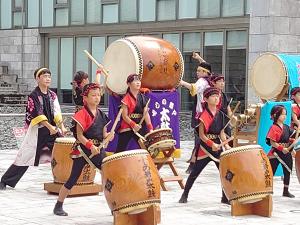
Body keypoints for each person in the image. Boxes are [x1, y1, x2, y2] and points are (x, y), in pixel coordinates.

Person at [0, 67, 67, 190]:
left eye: (49, 76)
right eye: (45, 76)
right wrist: (49, 126)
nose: (48, 78)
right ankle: (5, 181)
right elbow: (37, 113)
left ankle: (67, 180)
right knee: (25, 157)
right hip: (38, 132)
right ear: (37, 78)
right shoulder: (33, 95)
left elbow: (57, 112)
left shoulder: (52, 95)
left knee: (63, 154)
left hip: (53, 132)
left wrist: (61, 126)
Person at [53, 83, 114, 216]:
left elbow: (104, 135)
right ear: (85, 98)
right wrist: (90, 146)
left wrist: (109, 136)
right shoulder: (81, 114)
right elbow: (79, 136)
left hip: (98, 149)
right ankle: (58, 205)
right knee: (73, 178)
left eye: (98, 95)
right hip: (83, 150)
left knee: (109, 175)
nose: (97, 98)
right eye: (93, 95)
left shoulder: (101, 115)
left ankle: (114, 205)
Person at [178, 87, 230, 204]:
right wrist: (211, 144)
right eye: (213, 96)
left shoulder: (220, 114)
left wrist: (226, 146)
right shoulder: (203, 116)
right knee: (195, 173)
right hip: (205, 148)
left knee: (224, 172)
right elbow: (201, 135)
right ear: (206, 99)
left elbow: (221, 133)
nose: (216, 98)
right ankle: (185, 194)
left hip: (217, 147)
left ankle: (225, 197)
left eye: (217, 96)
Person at [180, 52, 212, 174]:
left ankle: (193, 163)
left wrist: (182, 83)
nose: (197, 72)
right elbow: (207, 67)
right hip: (209, 113)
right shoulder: (210, 78)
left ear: (204, 73)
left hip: (202, 114)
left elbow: (193, 87)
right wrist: (199, 59)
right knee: (202, 138)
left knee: (199, 139)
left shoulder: (202, 82)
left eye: (199, 71)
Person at [115, 74, 153, 153]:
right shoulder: (126, 99)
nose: (138, 82)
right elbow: (124, 116)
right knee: (120, 150)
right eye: (135, 81)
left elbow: (146, 114)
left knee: (147, 148)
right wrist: (133, 125)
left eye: (138, 80)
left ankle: (148, 164)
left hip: (139, 125)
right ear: (129, 84)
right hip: (128, 126)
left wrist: (150, 129)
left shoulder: (143, 97)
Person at [266, 105, 295, 198]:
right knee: (271, 172)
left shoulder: (286, 127)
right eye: (282, 114)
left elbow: (292, 137)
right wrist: (282, 149)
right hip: (275, 153)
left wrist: (291, 146)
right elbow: (272, 142)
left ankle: (285, 191)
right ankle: (267, 190)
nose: (285, 116)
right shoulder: (274, 128)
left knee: (287, 171)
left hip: (287, 153)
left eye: (285, 114)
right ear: (276, 115)